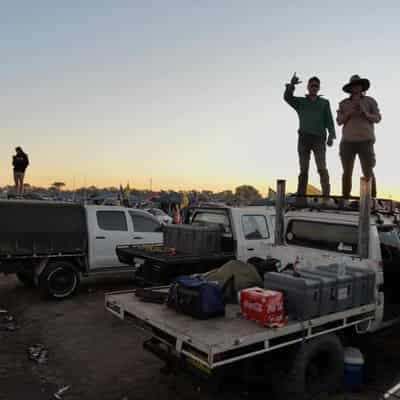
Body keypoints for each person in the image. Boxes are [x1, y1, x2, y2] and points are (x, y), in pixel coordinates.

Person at [284, 73, 336, 197]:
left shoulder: (324, 103)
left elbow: (329, 119)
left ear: (319, 88)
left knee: (322, 168)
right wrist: (291, 85)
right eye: (312, 85)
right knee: (303, 170)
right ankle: (301, 197)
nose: (314, 87)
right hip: (304, 138)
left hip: (319, 138)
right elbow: (287, 98)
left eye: (316, 86)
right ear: (308, 87)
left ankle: (326, 196)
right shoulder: (301, 102)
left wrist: (331, 135)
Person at [337, 75, 381, 198]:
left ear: (362, 87)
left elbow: (378, 118)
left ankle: (371, 200)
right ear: (350, 88)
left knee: (368, 171)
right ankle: (345, 198)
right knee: (347, 172)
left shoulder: (370, 101)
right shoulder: (343, 103)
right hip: (347, 143)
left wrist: (366, 113)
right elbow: (339, 121)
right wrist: (349, 113)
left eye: (358, 84)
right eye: (354, 85)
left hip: (366, 141)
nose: (356, 87)